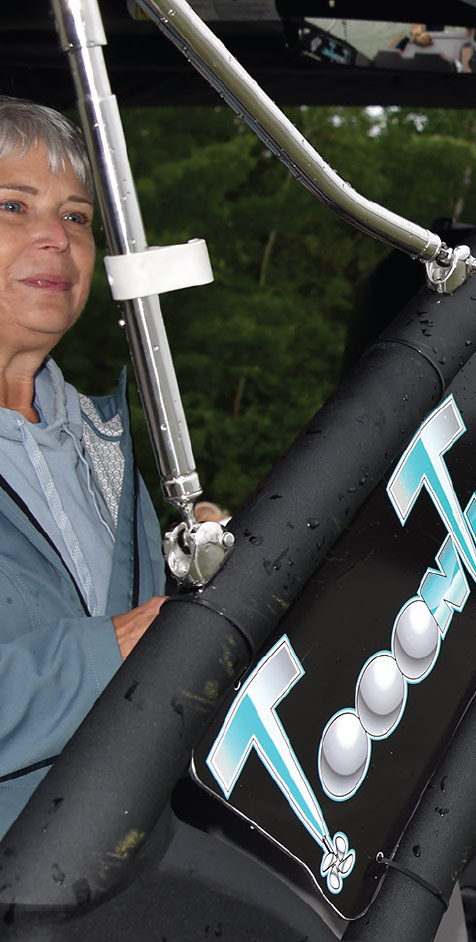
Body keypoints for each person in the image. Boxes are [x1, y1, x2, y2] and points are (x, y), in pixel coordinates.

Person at [0, 97, 167, 838]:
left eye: (76, 218)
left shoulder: (112, 447)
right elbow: (127, 641)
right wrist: (117, 649)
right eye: (12, 206)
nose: (56, 240)